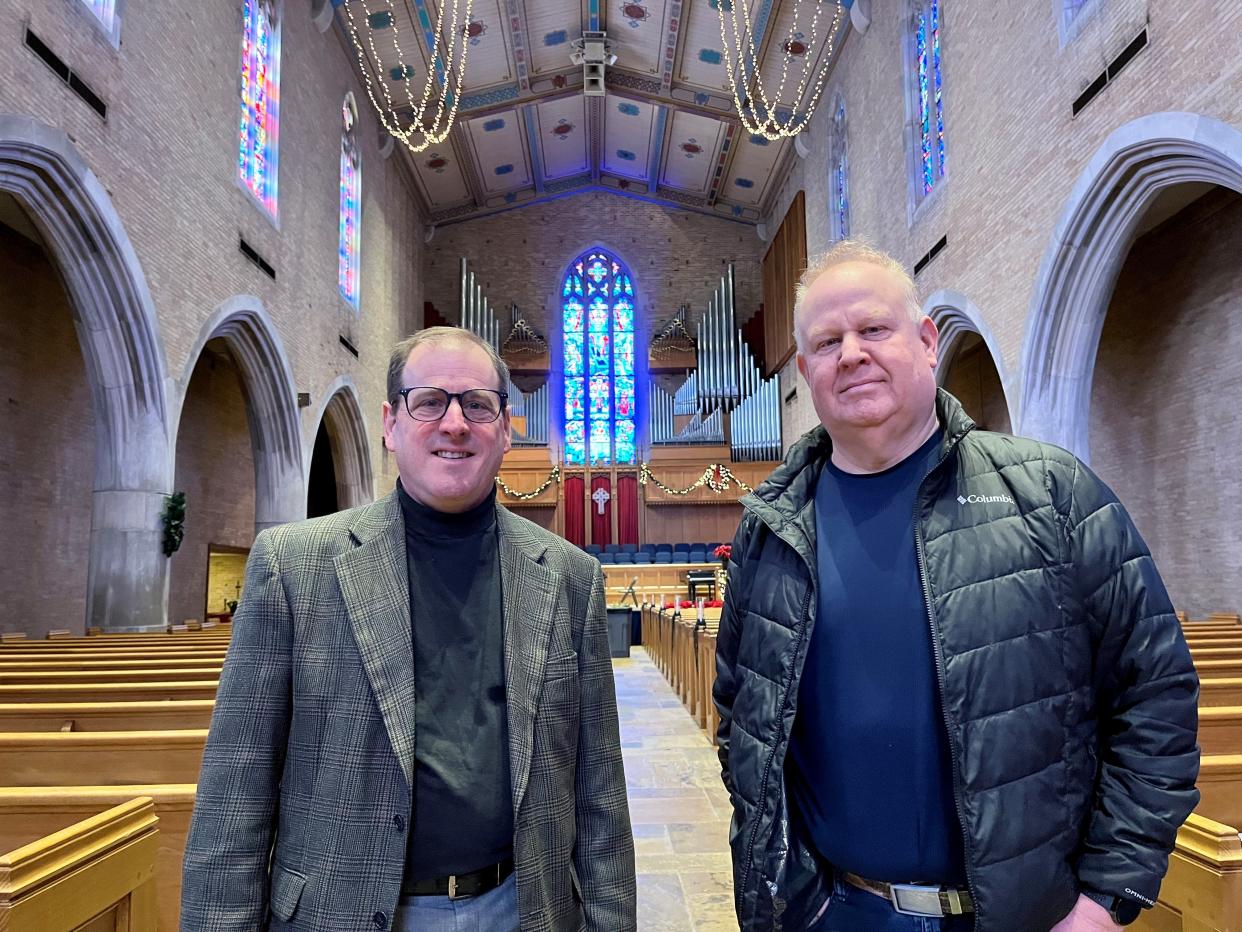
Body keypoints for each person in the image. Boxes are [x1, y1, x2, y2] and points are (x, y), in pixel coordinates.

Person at [713, 241, 1200, 932]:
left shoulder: (1051, 494)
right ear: (804, 370)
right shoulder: (770, 531)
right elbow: (741, 716)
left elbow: (1155, 695)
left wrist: (1104, 901)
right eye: (827, 340)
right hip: (835, 913)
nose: (851, 353)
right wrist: (794, 894)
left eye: (873, 329)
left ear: (925, 340)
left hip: (1021, 917)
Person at [182, 327, 636, 932]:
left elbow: (599, 791)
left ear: (505, 428)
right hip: (342, 914)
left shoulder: (570, 577)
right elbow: (234, 795)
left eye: (478, 404)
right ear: (391, 423)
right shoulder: (294, 565)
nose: (455, 424)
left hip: (521, 908)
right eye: (430, 402)